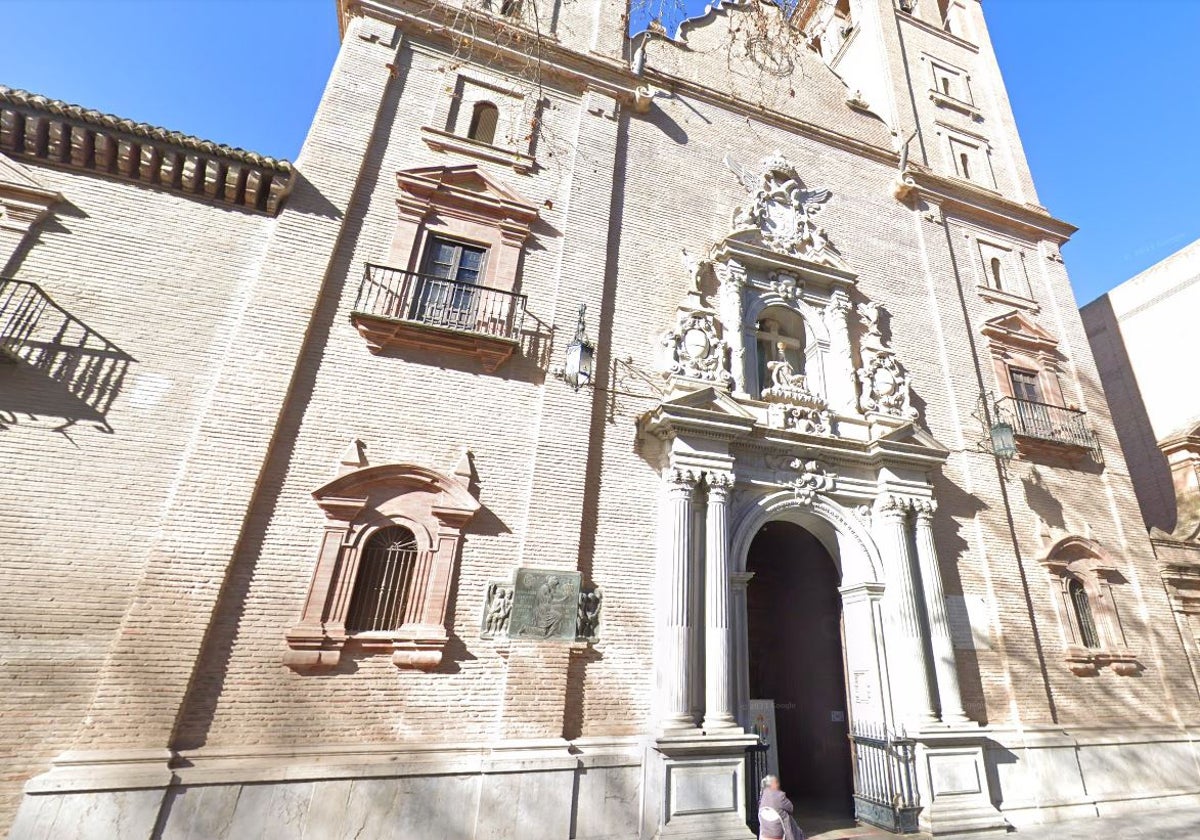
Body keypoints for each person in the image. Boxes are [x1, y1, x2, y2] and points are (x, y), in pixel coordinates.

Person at [758, 775, 804, 840]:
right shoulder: (780, 796)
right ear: (773, 785)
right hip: (778, 833)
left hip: (765, 833)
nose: (778, 784)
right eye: (776, 783)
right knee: (788, 816)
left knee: (782, 813)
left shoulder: (762, 797)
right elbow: (791, 808)